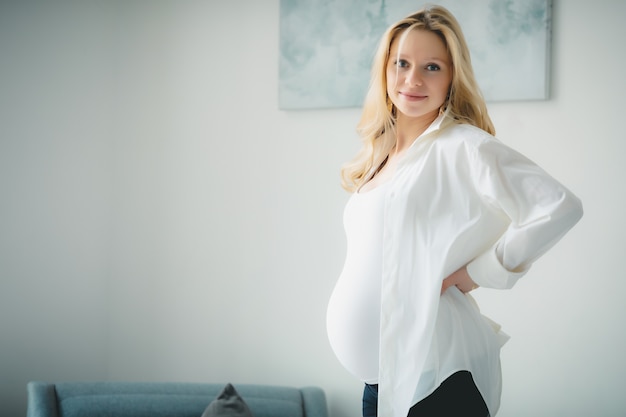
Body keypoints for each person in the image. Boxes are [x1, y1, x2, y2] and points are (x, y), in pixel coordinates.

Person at [326, 5, 583, 417]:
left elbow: (560, 207)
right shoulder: (383, 155)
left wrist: (476, 273)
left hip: (435, 384)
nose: (412, 79)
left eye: (431, 67)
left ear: (452, 77)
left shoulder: (463, 144)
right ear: (384, 70)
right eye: (401, 63)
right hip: (382, 385)